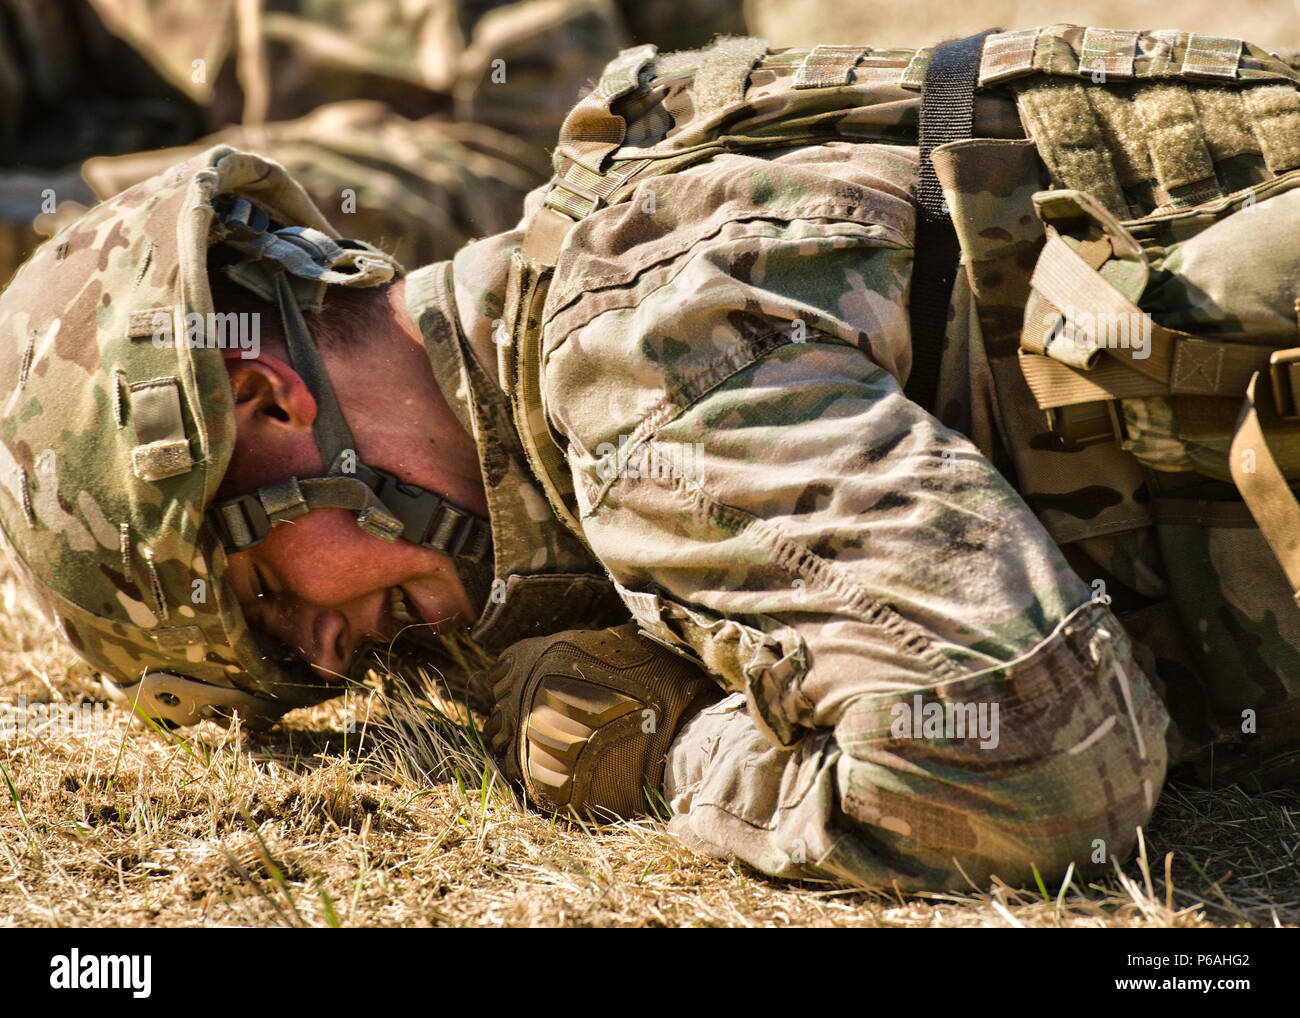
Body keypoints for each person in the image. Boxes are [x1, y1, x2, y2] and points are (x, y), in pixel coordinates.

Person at [5, 24, 1300, 892]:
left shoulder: (627, 363)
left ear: (263, 397)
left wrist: (677, 747)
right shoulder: (615, 228)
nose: (333, 655)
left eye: (266, 595)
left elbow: (1035, 761)